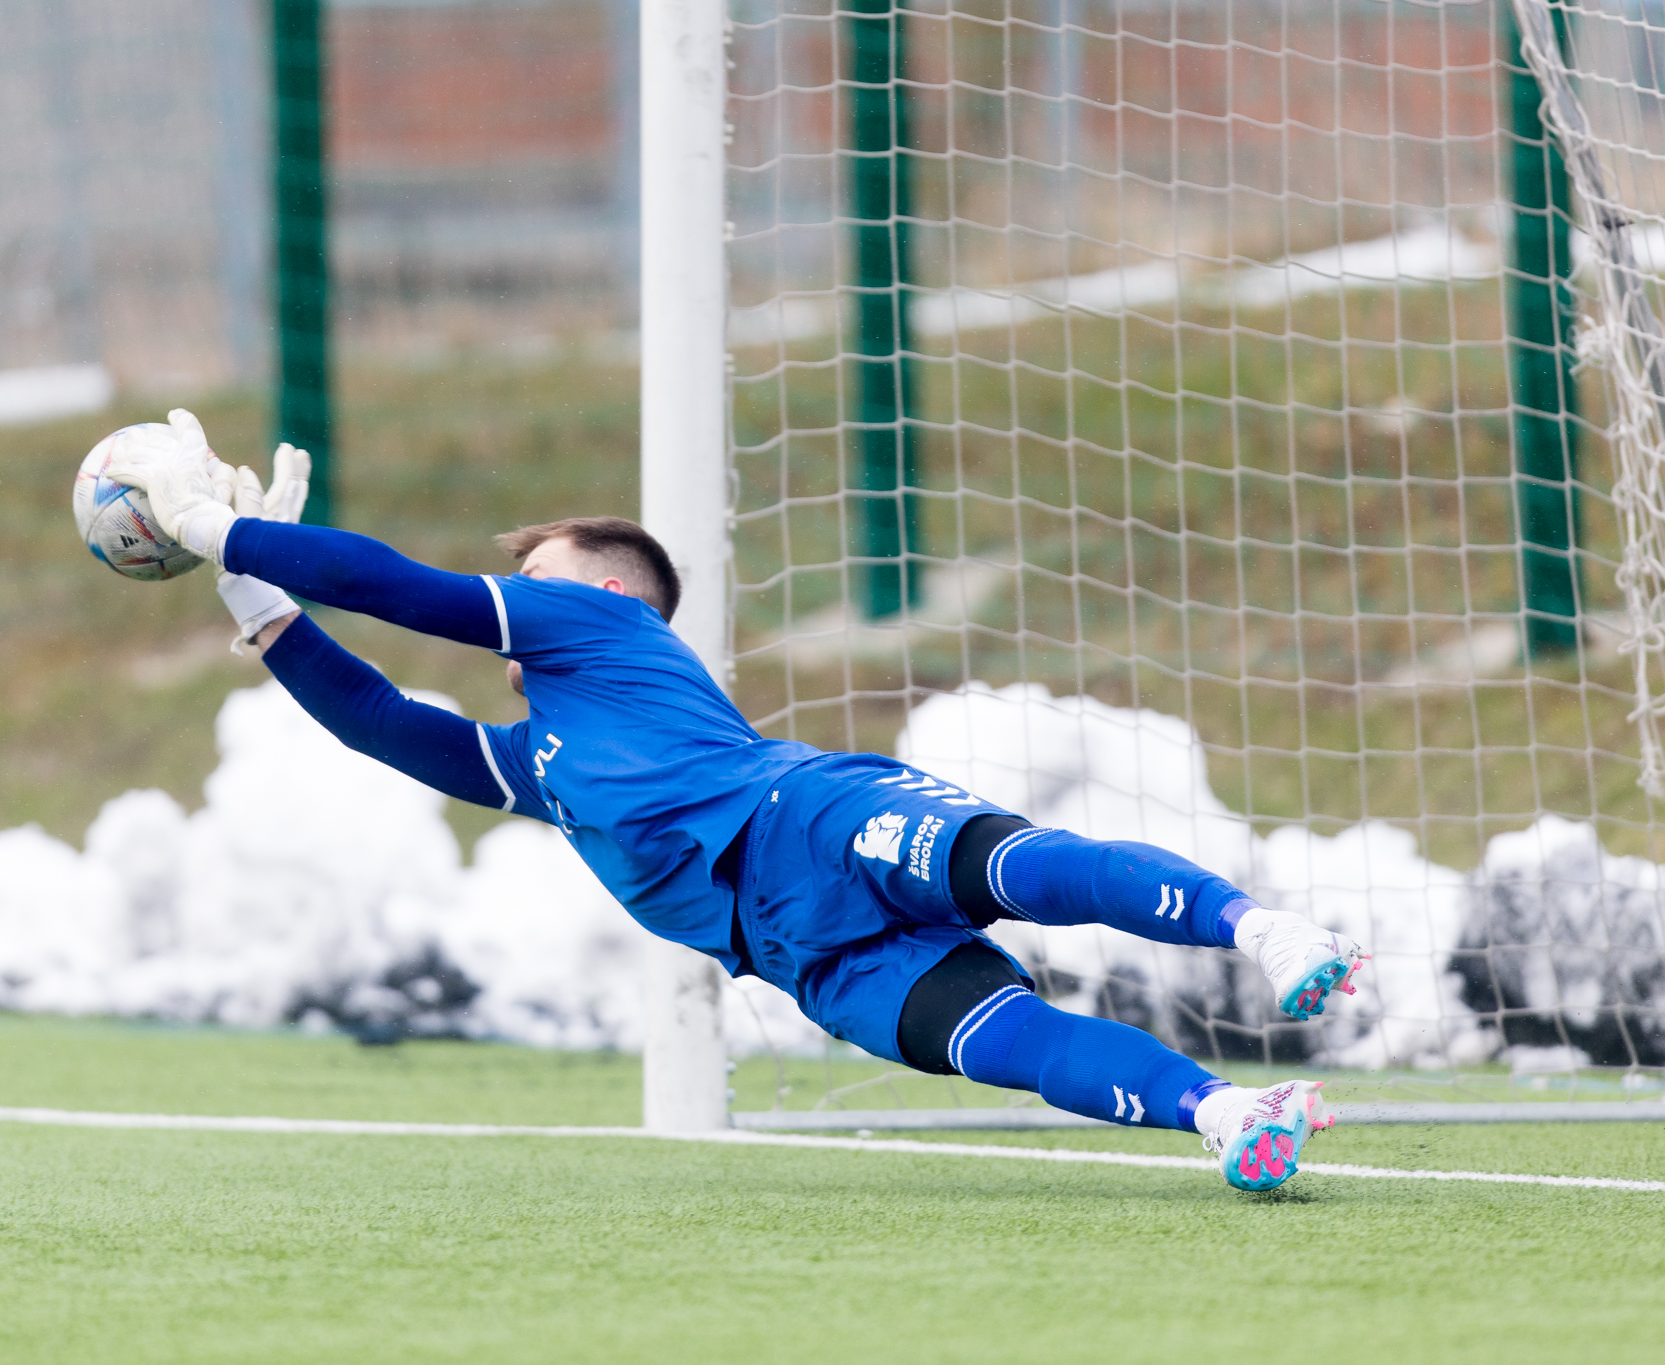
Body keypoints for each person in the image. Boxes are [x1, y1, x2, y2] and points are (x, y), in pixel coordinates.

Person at [108, 410, 1369, 1192]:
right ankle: (1227, 1114)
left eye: (540, 571)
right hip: (801, 955)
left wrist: (226, 531)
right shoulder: (543, 764)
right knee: (1006, 1046)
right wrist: (252, 596)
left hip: (806, 817)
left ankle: (1262, 930)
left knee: (1021, 867)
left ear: (602, 593)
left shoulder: (602, 631)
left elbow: (403, 591)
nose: (521, 592)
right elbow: (385, 723)